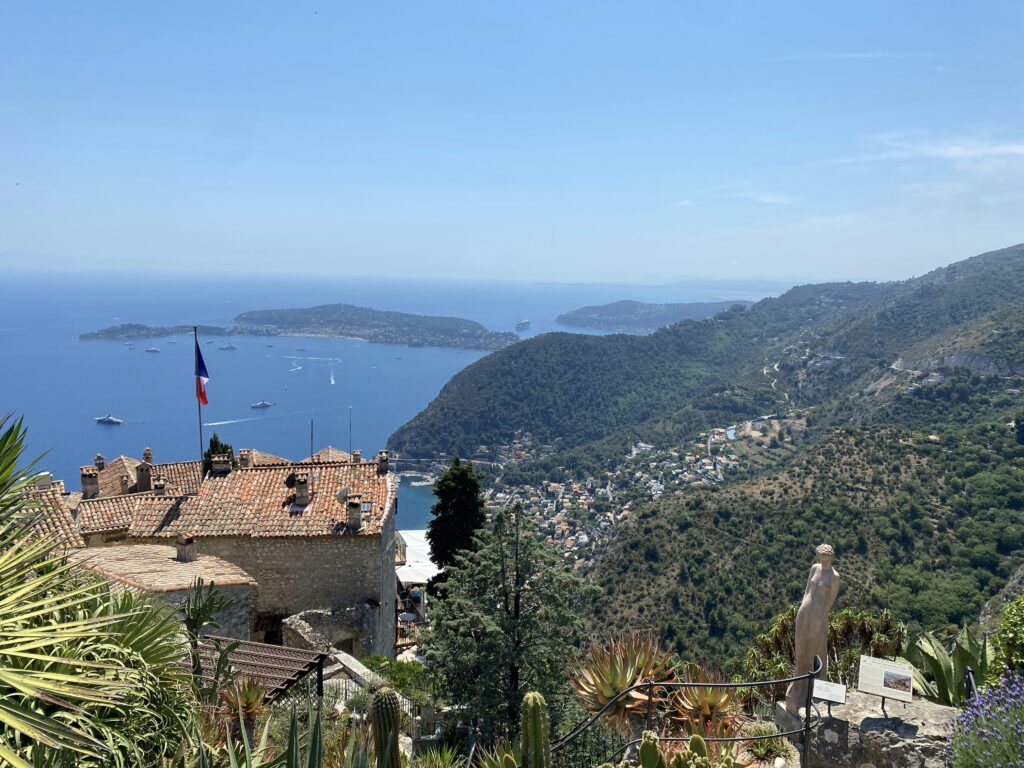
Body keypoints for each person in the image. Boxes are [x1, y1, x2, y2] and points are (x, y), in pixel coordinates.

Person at [785, 543, 840, 714]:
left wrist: (821, 615)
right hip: (806, 610)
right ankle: (797, 686)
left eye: (826, 557)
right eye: (821, 557)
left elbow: (831, 601)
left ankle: (812, 691)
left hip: (819, 616)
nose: (823, 560)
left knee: (813, 651)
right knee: (801, 647)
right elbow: (807, 590)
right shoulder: (814, 568)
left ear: (831, 557)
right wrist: (803, 608)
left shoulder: (835, 577)